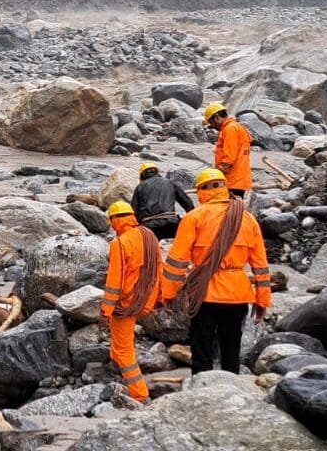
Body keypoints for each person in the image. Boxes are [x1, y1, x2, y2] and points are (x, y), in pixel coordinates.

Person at [160, 168, 271, 374]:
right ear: (224, 187)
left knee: (201, 347)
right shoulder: (247, 219)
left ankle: (202, 387)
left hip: (205, 294)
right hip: (238, 294)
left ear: (201, 191)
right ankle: (230, 386)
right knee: (231, 347)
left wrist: (168, 294)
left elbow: (177, 261)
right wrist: (262, 299)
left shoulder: (194, 217)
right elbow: (261, 265)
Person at [100, 201, 161, 402]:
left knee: (124, 349)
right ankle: (114, 363)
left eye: (112, 221)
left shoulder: (119, 243)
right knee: (120, 345)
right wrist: (159, 297)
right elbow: (158, 268)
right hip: (146, 299)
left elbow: (114, 282)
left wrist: (105, 311)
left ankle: (139, 392)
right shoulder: (148, 235)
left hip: (126, 304)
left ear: (115, 220)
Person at [131, 163, 195, 240]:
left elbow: (134, 210)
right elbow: (187, 203)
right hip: (171, 224)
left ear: (142, 175)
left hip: (149, 227)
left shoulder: (139, 187)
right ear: (157, 173)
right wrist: (192, 221)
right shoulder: (169, 182)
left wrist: (136, 227)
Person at [204, 103, 254, 199]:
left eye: (211, 122)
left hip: (232, 180)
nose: (212, 126)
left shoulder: (230, 129)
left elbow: (229, 158)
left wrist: (215, 176)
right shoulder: (237, 127)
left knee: (230, 210)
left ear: (217, 117)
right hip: (239, 179)